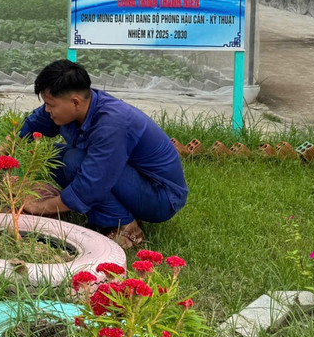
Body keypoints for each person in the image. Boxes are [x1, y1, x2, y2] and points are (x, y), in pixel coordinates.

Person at [17, 59, 187, 249]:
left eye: (50, 104)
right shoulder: (76, 106)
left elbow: (90, 185)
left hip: (161, 197)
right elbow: (30, 126)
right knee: (52, 156)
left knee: (75, 161)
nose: (47, 109)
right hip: (131, 179)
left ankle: (123, 225)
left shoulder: (112, 123)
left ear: (75, 102)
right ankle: (119, 210)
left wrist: (38, 208)